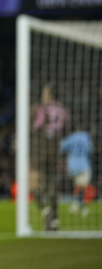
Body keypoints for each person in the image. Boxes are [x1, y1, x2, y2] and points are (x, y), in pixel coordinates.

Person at [31, 83, 69, 230]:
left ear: (48, 94)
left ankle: (46, 213)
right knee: (52, 186)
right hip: (56, 152)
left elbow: (34, 126)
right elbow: (66, 131)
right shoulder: (64, 112)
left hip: (40, 150)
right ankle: (54, 220)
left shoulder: (40, 109)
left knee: (33, 184)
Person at [60, 127, 93, 217]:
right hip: (83, 165)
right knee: (82, 187)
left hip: (72, 165)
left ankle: (76, 206)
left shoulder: (70, 137)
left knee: (78, 187)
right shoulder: (86, 136)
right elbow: (90, 150)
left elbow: (62, 147)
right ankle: (81, 208)